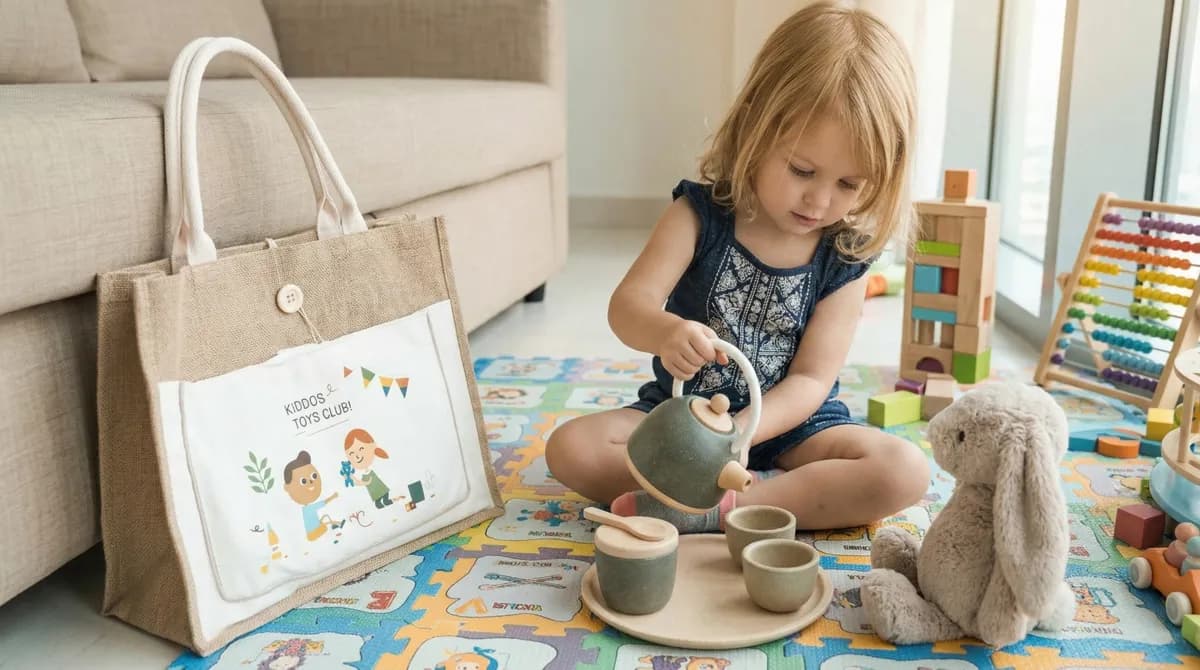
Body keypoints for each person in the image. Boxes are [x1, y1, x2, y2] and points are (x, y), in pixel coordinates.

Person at [546, 2, 930, 533]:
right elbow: (626, 308)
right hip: (681, 421)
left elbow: (813, 378)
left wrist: (743, 433)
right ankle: (713, 497)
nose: (820, 200)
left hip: (796, 428)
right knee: (571, 448)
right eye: (802, 170)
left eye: (849, 184)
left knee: (903, 470)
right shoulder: (697, 216)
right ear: (756, 124)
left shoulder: (844, 255)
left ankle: (729, 509)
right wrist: (666, 332)